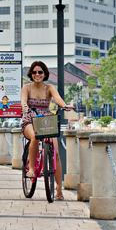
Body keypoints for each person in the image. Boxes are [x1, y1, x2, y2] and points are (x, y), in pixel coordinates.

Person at [21, 61, 73, 201]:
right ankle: (31, 169)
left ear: (45, 74)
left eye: (40, 72)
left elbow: (58, 99)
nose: (37, 75)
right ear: (31, 74)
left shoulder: (49, 87)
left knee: (55, 152)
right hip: (30, 119)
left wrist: (64, 105)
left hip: (46, 120)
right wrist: (25, 106)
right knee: (35, 137)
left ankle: (59, 189)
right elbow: (23, 101)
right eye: (34, 72)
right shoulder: (26, 87)